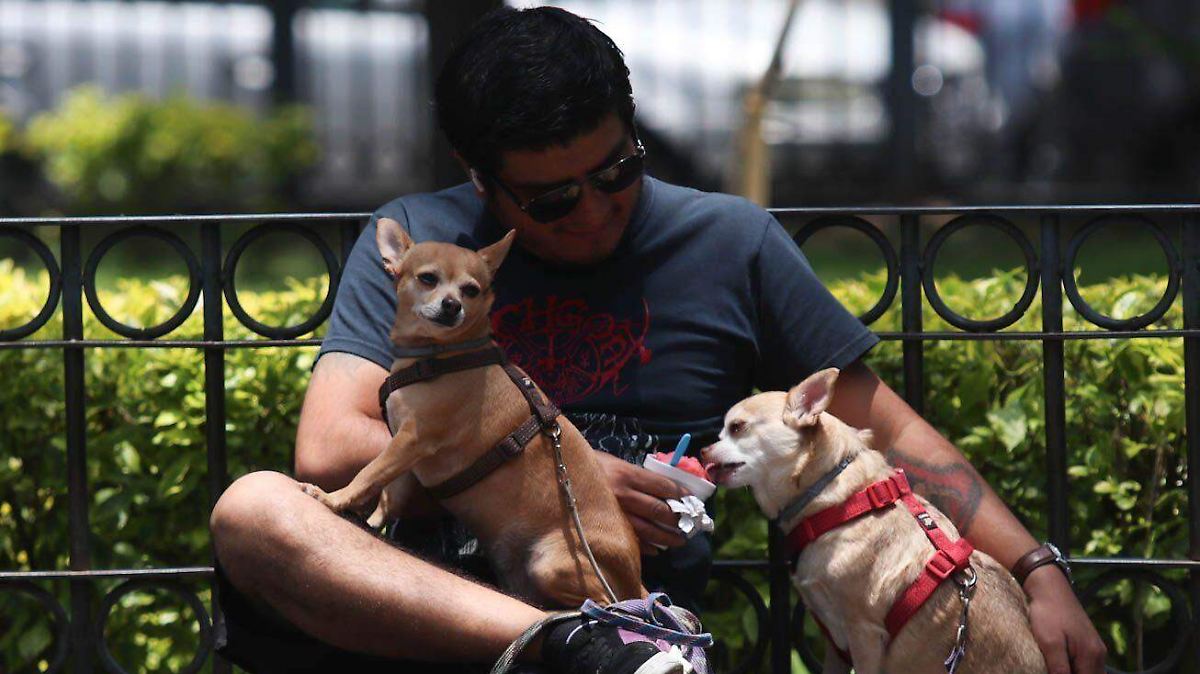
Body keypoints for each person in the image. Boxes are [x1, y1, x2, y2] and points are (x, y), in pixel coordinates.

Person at [208, 6, 1106, 674]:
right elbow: (329, 451)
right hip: (425, 612)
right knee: (253, 510)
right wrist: (569, 465)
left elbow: (891, 436)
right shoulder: (427, 246)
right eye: (553, 199)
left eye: (619, 171)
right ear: (476, 177)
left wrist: (1035, 568)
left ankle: (602, 642)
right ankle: (575, 651)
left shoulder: (730, 241)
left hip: (618, 597)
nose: (595, 212)